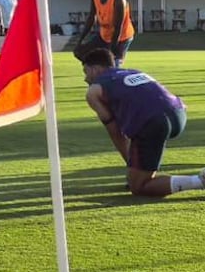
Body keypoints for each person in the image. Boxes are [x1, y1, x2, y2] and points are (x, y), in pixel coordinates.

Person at [82, 48, 203, 197]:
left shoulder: (94, 91)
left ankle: (200, 181)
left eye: (86, 72)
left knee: (139, 187)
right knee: (145, 158)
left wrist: (132, 165)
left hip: (153, 122)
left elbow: (116, 132)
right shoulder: (133, 71)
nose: (85, 78)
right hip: (178, 113)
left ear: (94, 69)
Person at [75, 0, 135, 68]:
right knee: (79, 52)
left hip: (121, 37)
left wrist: (110, 52)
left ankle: (111, 72)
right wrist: (80, 40)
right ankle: (98, 72)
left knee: (113, 65)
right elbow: (91, 18)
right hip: (104, 35)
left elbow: (118, 28)